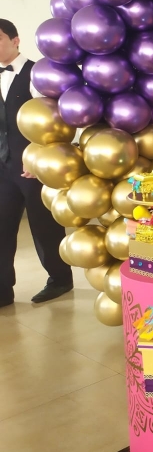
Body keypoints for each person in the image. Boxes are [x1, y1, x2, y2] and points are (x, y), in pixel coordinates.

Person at [0, 19, 72, 307]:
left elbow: (53, 123)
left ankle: (60, 279)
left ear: (15, 40)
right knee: (2, 228)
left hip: (33, 167)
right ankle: (3, 290)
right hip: (3, 167)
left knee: (44, 227)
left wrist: (39, 158)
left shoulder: (37, 74)